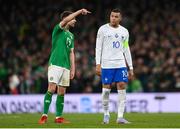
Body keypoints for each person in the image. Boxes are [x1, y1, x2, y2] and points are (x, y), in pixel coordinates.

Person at [38, 8, 91, 124]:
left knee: (61, 92)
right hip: (55, 64)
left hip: (66, 66)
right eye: (73, 19)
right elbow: (67, 19)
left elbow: (71, 52)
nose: (75, 21)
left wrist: (73, 68)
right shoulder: (58, 30)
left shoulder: (71, 35)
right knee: (51, 89)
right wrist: (79, 12)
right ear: (66, 20)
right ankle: (44, 116)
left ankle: (58, 117)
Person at [95, 8, 134, 124]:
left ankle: (120, 117)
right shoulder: (102, 29)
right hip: (107, 64)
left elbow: (126, 49)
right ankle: (106, 115)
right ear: (110, 17)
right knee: (106, 90)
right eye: (112, 16)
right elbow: (98, 47)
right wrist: (98, 64)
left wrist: (130, 67)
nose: (113, 18)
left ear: (120, 18)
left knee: (122, 86)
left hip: (120, 63)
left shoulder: (124, 31)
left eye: (116, 16)